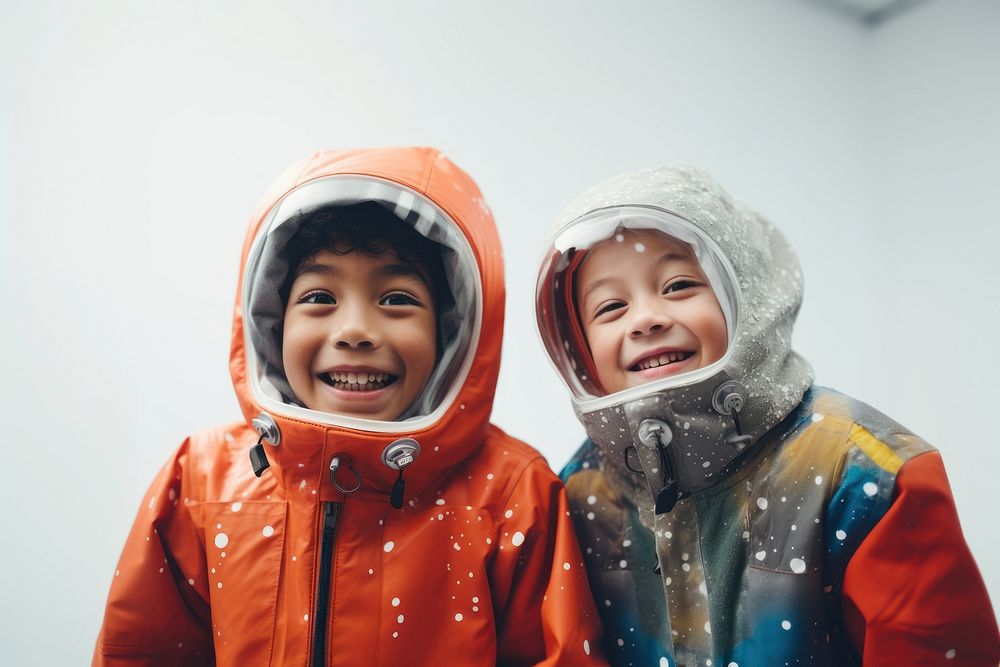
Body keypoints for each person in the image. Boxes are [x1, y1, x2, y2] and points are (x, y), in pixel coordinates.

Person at [94, 147, 606, 666]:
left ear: (451, 332)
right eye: (319, 297)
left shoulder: (514, 495)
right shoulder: (200, 482)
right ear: (272, 322)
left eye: (397, 299)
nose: (356, 330)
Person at [534, 164, 1000, 666]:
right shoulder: (580, 494)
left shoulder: (863, 474)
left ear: (746, 298)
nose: (646, 319)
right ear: (576, 348)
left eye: (678, 286)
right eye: (610, 307)